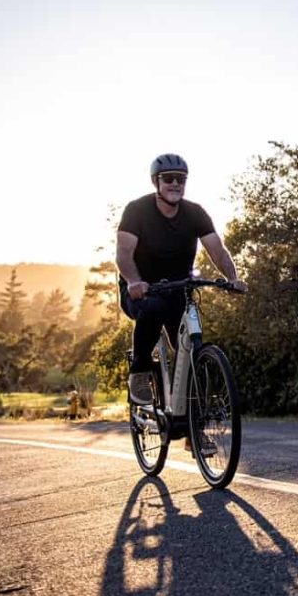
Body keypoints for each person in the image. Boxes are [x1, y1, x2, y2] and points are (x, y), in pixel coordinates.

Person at [116, 153, 245, 408]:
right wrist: (133, 282)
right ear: (156, 182)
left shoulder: (195, 213)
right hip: (142, 290)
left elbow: (217, 251)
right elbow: (123, 254)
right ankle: (139, 373)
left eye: (181, 179)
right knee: (152, 309)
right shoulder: (137, 210)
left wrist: (232, 278)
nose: (176, 184)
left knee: (194, 354)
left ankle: (192, 428)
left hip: (179, 291)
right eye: (169, 179)